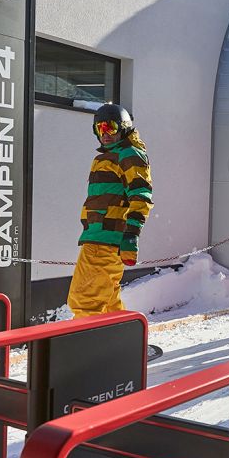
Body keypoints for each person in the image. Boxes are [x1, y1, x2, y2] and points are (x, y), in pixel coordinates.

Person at [67, 104, 153, 318]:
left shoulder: (128, 154)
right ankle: (122, 340)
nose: (104, 133)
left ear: (123, 128)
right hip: (98, 237)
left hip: (105, 241)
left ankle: (88, 347)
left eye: (110, 127)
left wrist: (132, 234)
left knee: (84, 300)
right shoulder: (107, 157)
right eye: (99, 128)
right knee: (107, 300)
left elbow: (141, 194)